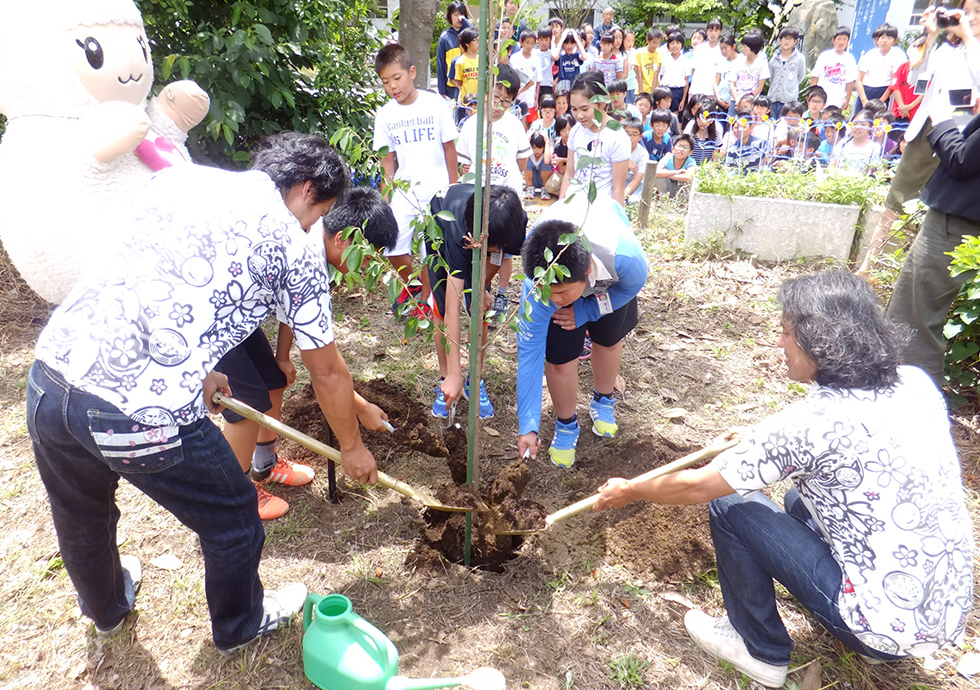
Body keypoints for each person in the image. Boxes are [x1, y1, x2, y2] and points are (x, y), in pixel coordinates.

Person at [26, 132, 381, 655]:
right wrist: (351, 446)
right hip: (137, 413)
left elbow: (162, 282)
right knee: (234, 517)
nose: (312, 228)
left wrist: (199, 369)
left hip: (51, 372)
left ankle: (105, 610)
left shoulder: (181, 180)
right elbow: (326, 371)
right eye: (317, 214)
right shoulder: (291, 240)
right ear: (307, 190)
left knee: (80, 509)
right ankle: (239, 623)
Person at [595, 270, 973, 689]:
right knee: (796, 500)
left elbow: (698, 486)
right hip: (940, 611)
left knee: (730, 504)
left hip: (882, 625)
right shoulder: (915, 384)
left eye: (787, 333)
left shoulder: (808, 426)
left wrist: (630, 491)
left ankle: (759, 649)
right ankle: (871, 639)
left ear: (819, 341)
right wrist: (760, 440)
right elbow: (844, 444)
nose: (779, 342)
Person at [215, 185, 398, 521]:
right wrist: (353, 446)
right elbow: (327, 372)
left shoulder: (313, 230)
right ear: (343, 239)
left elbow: (291, 308)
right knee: (247, 402)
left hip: (237, 310)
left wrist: (283, 356)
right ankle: (235, 495)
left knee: (272, 379)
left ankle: (265, 464)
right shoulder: (307, 259)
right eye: (370, 257)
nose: (370, 267)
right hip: (210, 315)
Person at [516, 195, 649, 467]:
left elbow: (631, 286)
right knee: (559, 356)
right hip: (569, 277)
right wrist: (528, 426)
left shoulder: (624, 257)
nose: (556, 301)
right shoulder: (538, 289)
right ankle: (567, 424)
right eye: (549, 294)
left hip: (611, 284)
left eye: (562, 294)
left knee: (609, 337)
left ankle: (603, 399)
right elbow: (529, 358)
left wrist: (587, 311)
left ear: (586, 270)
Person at [856, 1, 980, 278]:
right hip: (926, 128)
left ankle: (905, 273)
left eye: (977, 12)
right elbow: (915, 78)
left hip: (962, 139)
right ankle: (869, 266)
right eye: (965, 11)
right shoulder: (947, 48)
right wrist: (932, 35)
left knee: (938, 209)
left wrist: (969, 38)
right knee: (897, 199)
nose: (969, 18)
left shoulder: (973, 48)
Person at [886, 98, 980, 385]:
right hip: (962, 222)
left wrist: (942, 122)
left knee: (915, 321)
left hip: (957, 225)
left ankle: (909, 407)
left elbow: (962, 160)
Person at [428, 184, 528, 419]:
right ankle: (445, 379)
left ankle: (475, 380)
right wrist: (454, 373)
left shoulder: (513, 222)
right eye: (489, 242)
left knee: (479, 311)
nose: (493, 246)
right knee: (442, 309)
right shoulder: (457, 226)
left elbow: (498, 254)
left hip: (479, 237)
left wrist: (482, 287)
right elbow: (453, 305)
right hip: (443, 235)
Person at [373, 44, 459, 317]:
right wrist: (385, 200)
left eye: (396, 78)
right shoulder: (386, 115)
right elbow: (387, 162)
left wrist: (453, 190)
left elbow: (450, 150)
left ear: (412, 72)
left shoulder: (436, 104)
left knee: (430, 248)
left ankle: (425, 300)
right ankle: (412, 283)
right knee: (391, 245)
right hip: (405, 190)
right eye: (385, 82)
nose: (392, 87)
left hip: (437, 190)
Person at [561, 71, 631, 205]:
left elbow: (618, 188)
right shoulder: (576, 131)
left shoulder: (617, 137)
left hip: (600, 209)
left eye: (585, 109)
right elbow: (569, 174)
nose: (579, 115)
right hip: (574, 205)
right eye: (574, 109)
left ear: (602, 102)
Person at [855, 23, 906, 114]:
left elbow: (894, 81)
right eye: (882, 38)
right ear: (878, 40)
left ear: (894, 41)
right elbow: (859, 80)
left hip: (884, 91)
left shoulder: (898, 55)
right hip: (866, 91)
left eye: (889, 38)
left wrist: (881, 101)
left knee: (878, 121)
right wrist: (864, 100)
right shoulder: (870, 54)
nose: (885, 41)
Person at [436, 0, 471, 112]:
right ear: (450, 16)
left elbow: (477, 36)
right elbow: (440, 63)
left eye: (460, 15)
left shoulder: (469, 36)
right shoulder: (445, 37)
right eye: (455, 15)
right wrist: (442, 91)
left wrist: (465, 22)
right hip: (451, 86)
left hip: (469, 84)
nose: (458, 18)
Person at [810, 27, 857, 110]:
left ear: (848, 40)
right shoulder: (825, 56)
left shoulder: (850, 59)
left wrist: (847, 100)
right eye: (839, 39)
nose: (841, 42)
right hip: (821, 100)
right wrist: (812, 96)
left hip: (837, 100)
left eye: (844, 39)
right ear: (833, 40)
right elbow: (815, 76)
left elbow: (849, 81)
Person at [768, 26, 806, 121]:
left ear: (795, 41)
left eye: (790, 39)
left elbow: (801, 77)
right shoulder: (774, 59)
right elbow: (771, 77)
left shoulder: (799, 58)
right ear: (780, 40)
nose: (787, 41)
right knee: (771, 125)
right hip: (773, 99)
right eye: (785, 38)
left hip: (789, 101)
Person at [729, 30, 769, 108]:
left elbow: (760, 86)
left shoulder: (762, 63)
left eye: (745, 46)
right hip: (736, 101)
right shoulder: (738, 60)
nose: (742, 49)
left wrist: (747, 101)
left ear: (752, 48)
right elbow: (732, 84)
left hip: (752, 102)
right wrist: (737, 100)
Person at [510, 31, 541, 128]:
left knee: (530, 123)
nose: (529, 46)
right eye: (527, 42)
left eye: (532, 43)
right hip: (518, 96)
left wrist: (537, 100)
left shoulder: (536, 59)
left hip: (530, 97)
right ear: (521, 42)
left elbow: (538, 81)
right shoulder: (515, 58)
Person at [690, 18, 724, 103]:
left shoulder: (722, 50)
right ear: (707, 31)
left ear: (720, 32)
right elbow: (693, 70)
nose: (713, 33)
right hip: (696, 91)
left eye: (716, 30)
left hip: (712, 93)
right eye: (710, 30)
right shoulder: (699, 48)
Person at [654, 132, 696, 197]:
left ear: (690, 152)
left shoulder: (690, 162)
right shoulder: (668, 157)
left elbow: (688, 177)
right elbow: (656, 172)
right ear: (673, 149)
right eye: (679, 146)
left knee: (689, 181)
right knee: (658, 177)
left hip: (680, 190)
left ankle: (682, 204)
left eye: (685, 147)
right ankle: (664, 200)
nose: (681, 149)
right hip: (667, 188)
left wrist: (667, 174)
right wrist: (676, 172)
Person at [659, 31, 692, 113]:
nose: (675, 46)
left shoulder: (685, 61)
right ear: (668, 45)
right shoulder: (664, 59)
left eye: (677, 43)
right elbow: (661, 76)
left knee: (676, 116)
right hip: (665, 91)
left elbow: (686, 82)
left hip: (678, 92)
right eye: (672, 43)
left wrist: (683, 100)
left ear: (682, 45)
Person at [683, 99, 723, 164]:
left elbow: (714, 159)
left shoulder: (716, 136)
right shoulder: (690, 135)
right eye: (699, 118)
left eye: (706, 118)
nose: (702, 122)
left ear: (712, 120)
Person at [714, 33, 742, 117]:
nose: (723, 51)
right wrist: (718, 99)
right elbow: (716, 81)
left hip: (735, 101)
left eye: (726, 48)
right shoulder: (721, 61)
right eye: (721, 48)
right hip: (722, 100)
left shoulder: (741, 60)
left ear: (733, 46)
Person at [622, 117, 650, 203]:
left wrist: (624, 194)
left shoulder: (643, 154)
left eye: (634, 135)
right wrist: (626, 162)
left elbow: (637, 179)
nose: (630, 138)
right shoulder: (615, 148)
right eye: (627, 134)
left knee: (634, 201)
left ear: (640, 136)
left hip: (634, 182)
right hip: (617, 181)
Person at [552, 28, 588, 93]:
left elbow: (584, 56)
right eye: (566, 43)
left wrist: (577, 39)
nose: (569, 46)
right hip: (563, 84)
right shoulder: (561, 56)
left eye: (572, 43)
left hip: (574, 84)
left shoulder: (576, 55)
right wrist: (562, 39)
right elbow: (555, 56)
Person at [634, 28, 663, 95]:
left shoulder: (660, 54)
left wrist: (653, 91)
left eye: (659, 43)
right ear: (647, 40)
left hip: (654, 89)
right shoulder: (639, 53)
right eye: (654, 42)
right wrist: (641, 91)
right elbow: (639, 74)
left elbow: (656, 73)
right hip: (641, 89)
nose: (656, 45)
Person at [524, 132, 553, 199]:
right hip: (532, 179)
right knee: (527, 162)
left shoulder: (547, 150)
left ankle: (545, 189)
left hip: (543, 180)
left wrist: (547, 142)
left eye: (539, 148)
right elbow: (524, 161)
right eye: (534, 148)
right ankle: (530, 188)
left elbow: (547, 161)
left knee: (546, 164)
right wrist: (527, 141)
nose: (537, 151)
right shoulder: (529, 153)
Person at [535, 27, 556, 101]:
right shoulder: (534, 53)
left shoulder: (551, 53)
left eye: (546, 40)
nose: (544, 43)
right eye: (541, 40)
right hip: (536, 85)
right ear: (538, 40)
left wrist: (553, 41)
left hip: (547, 85)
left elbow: (555, 57)